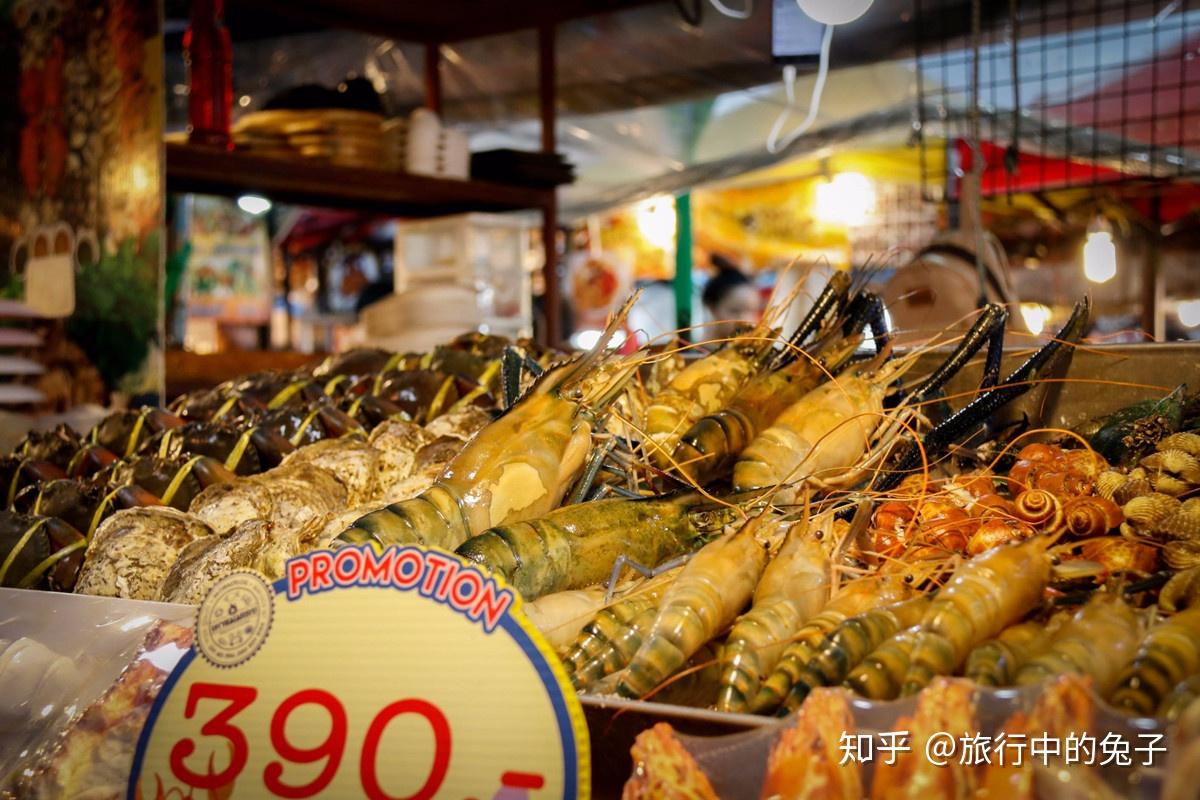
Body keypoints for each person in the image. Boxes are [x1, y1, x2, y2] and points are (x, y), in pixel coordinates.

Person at [702, 255, 762, 340]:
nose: (746, 320)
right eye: (735, 311)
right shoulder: (691, 351)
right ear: (712, 308)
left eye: (753, 311)